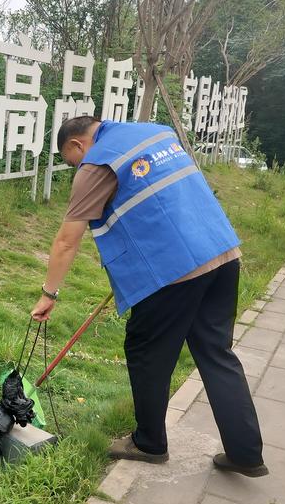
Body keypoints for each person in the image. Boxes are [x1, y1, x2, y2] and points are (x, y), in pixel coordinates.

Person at [30, 116, 267, 477]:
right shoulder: (155, 133)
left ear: (77, 145)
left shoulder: (96, 163)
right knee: (216, 353)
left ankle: (149, 442)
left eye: (71, 160)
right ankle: (246, 453)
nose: (76, 167)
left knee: (146, 351)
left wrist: (49, 293)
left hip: (174, 272)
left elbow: (66, 240)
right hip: (222, 253)